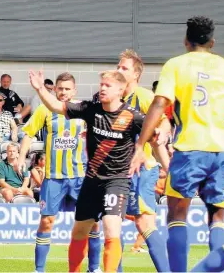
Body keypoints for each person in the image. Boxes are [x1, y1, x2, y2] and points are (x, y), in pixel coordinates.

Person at [130, 16, 224, 272]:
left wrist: (140, 146)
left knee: (176, 217)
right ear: (212, 42)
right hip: (220, 151)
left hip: (189, 149)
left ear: (186, 41)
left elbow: (160, 103)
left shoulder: (176, 65)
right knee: (217, 216)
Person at [30, 69, 167, 272]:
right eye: (101, 84)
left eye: (107, 85)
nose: (102, 88)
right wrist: (41, 89)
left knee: (111, 228)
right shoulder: (90, 109)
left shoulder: (133, 116)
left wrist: (165, 154)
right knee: (79, 233)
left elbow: (158, 132)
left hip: (116, 182)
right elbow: (57, 106)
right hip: (91, 181)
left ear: (121, 90)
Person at [17, 72, 101, 272]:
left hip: (81, 177)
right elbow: (28, 134)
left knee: (92, 224)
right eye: (60, 88)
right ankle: (39, 269)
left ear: (75, 90)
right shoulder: (45, 110)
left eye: (67, 89)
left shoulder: (85, 110)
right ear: (54, 89)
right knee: (46, 222)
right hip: (54, 178)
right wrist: (21, 157)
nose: (63, 92)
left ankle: (94, 268)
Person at [114, 49, 171, 272]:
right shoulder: (112, 97)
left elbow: (165, 121)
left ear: (135, 75)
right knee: (112, 223)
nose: (118, 70)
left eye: (124, 68)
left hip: (141, 171)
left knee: (144, 222)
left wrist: (163, 132)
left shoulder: (145, 97)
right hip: (115, 171)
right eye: (118, 66)